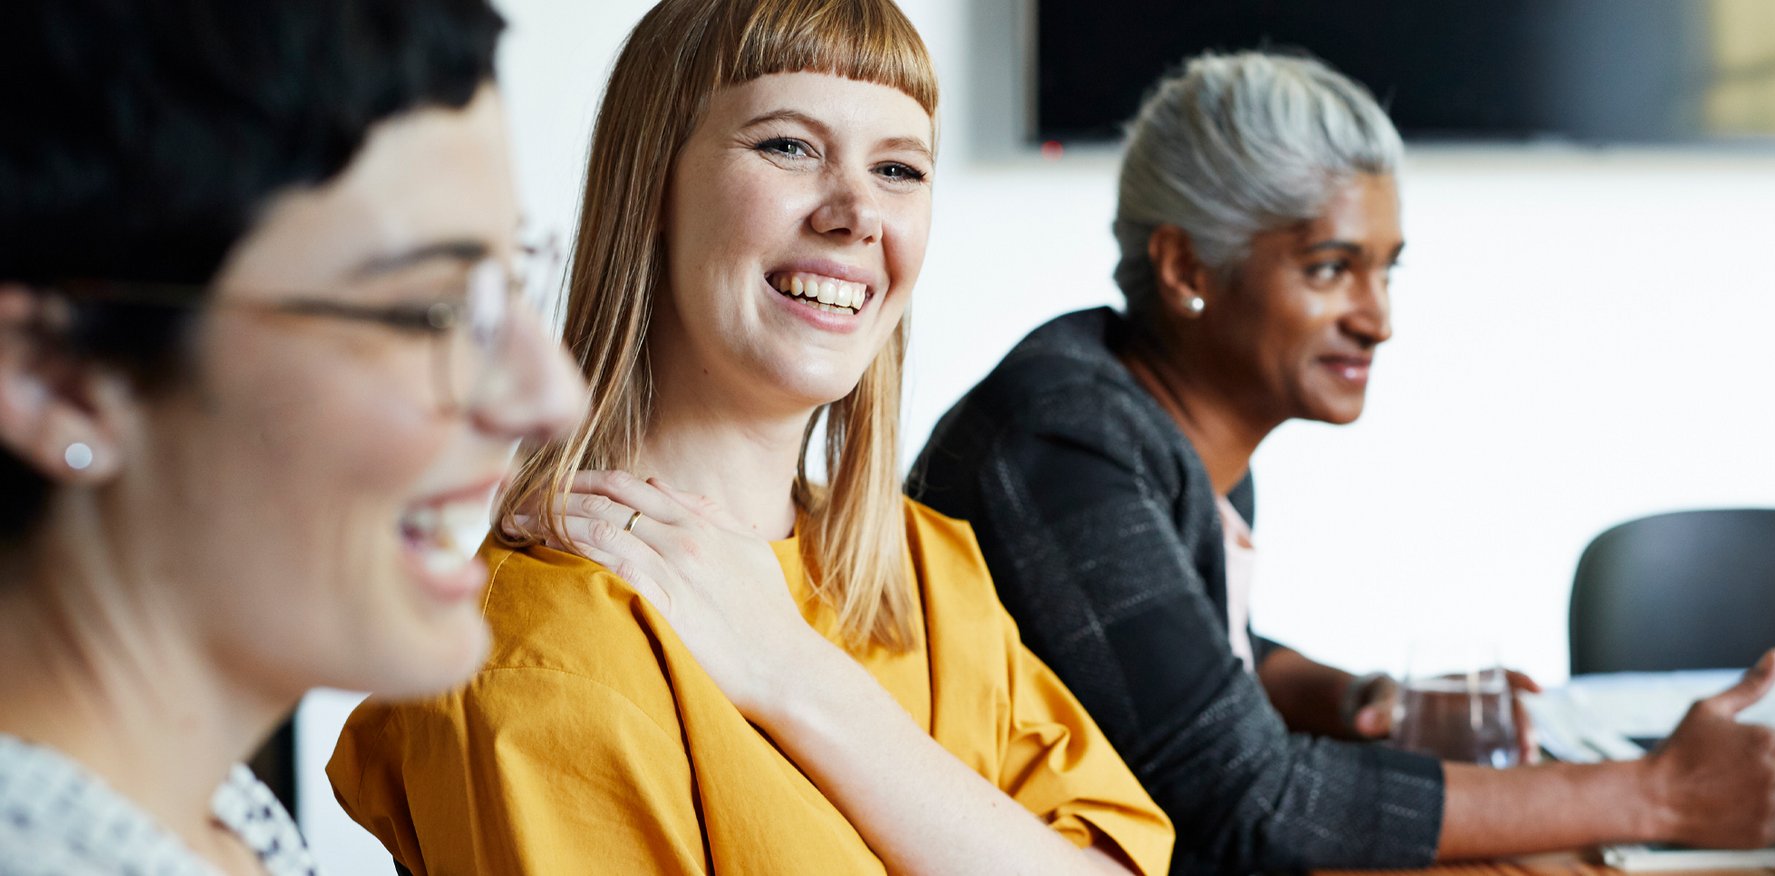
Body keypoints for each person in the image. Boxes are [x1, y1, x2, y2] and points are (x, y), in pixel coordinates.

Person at [908, 51, 1775, 873]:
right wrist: (1656, 792)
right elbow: (1249, 806)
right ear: (1186, 266)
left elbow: (1172, 663)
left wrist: (1361, 698)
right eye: (1332, 268)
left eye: (1387, 271)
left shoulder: (1157, 418)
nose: (1379, 319)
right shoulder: (1064, 443)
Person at [326, 1, 1174, 873]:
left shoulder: (927, 570)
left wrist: (799, 679)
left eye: (899, 169)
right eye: (788, 147)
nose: (857, 214)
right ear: (651, 185)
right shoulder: (542, 658)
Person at [0, 0, 584, 873]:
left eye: (508, 285)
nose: (553, 398)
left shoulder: (215, 823)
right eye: (428, 311)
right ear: (60, 380)